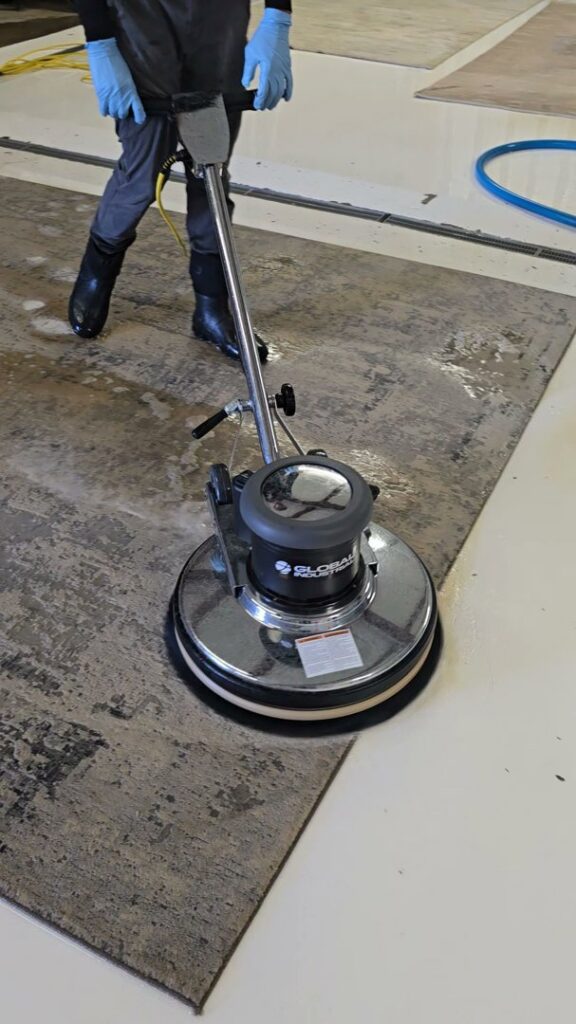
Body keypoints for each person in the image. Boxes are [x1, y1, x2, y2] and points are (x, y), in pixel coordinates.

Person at [70, 0, 293, 362]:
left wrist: (278, 17)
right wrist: (100, 42)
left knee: (211, 166)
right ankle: (97, 271)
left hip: (217, 16)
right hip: (140, 16)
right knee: (142, 171)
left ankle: (212, 307)